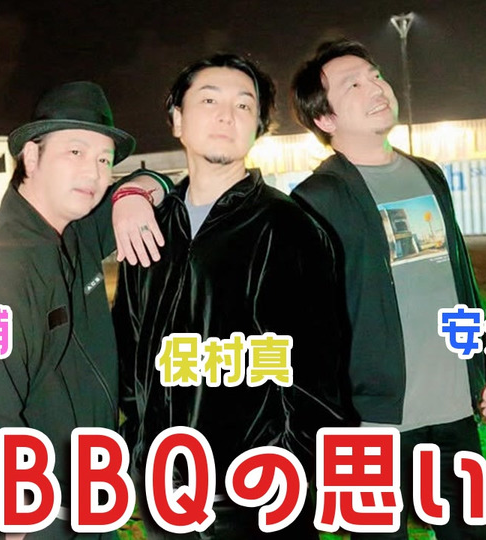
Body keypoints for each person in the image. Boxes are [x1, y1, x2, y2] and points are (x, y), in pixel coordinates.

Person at [113, 53, 352, 539]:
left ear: (257, 127)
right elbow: (131, 353)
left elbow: (318, 383)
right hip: (166, 495)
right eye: (209, 101)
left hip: (257, 500)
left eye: (244, 105)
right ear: (177, 119)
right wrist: (139, 453)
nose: (227, 115)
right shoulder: (147, 229)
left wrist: (287, 478)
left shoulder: (291, 230)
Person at [289, 38, 486, 539]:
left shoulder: (427, 174)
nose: (376, 87)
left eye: (375, 75)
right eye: (353, 84)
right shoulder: (316, 199)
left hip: (453, 409)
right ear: (324, 118)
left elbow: (459, 279)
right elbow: (311, 328)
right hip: (372, 422)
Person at [0, 81, 170, 539]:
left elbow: (163, 184)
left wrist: (133, 194)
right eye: (75, 152)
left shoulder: (77, 230)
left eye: (104, 159)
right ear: (31, 156)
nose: (94, 172)